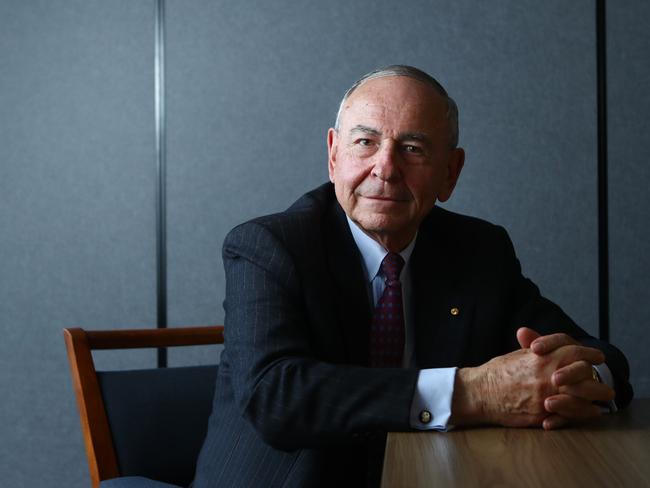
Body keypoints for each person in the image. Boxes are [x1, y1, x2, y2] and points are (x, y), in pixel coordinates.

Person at [192, 65, 633, 487]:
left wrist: (574, 384)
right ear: (333, 155)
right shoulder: (268, 247)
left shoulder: (479, 250)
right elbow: (276, 397)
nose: (385, 168)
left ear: (451, 172)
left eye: (413, 148)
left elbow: (596, 354)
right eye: (365, 142)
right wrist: (474, 393)